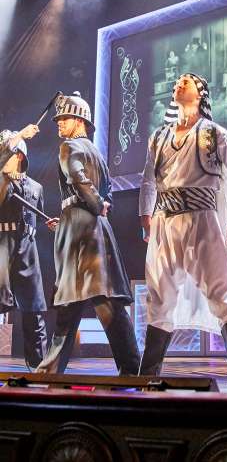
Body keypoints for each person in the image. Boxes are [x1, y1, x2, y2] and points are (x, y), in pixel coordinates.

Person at [138, 73, 227, 389]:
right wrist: (145, 212)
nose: (178, 83)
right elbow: (149, 177)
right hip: (165, 221)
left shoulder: (215, 133)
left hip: (203, 220)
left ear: (200, 92)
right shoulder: (159, 136)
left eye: (185, 80)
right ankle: (148, 377)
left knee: (221, 293)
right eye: (176, 81)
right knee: (159, 297)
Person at [37, 92, 140, 374]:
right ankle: (131, 368)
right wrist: (89, 208)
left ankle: (50, 371)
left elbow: (78, 179)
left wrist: (90, 205)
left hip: (81, 232)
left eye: (65, 118)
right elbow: (106, 196)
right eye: (58, 118)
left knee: (87, 301)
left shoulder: (68, 147)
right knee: (96, 302)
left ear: (80, 120)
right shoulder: (98, 153)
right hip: (92, 228)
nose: (59, 123)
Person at [0, 124, 47, 370]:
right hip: (1, 247)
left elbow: (38, 218)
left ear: (18, 156)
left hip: (28, 248)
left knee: (34, 309)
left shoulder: (36, 188)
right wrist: (17, 135)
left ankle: (39, 366)